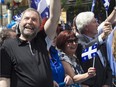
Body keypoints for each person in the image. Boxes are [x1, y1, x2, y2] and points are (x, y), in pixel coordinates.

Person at [0, 0, 61, 87]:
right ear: (20, 22)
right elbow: (4, 79)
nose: (30, 22)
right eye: (26, 18)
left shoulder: (43, 40)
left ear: (40, 25)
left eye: (34, 19)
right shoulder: (7, 46)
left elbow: (54, 18)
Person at [75, 11, 112, 87]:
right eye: (94, 22)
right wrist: (102, 36)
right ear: (86, 27)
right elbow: (86, 50)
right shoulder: (78, 41)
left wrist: (107, 83)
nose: (97, 25)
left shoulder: (99, 41)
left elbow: (107, 65)